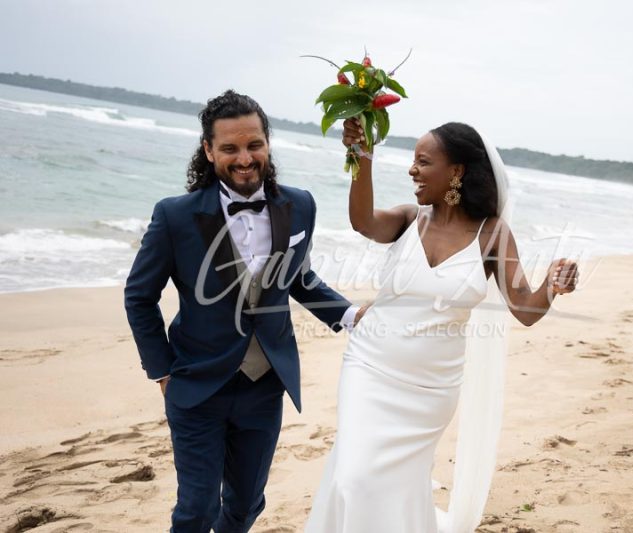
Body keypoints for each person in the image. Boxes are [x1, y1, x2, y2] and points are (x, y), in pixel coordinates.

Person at [305, 119, 578, 532]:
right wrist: (363, 155)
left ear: (456, 172)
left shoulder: (492, 236)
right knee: (353, 478)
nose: (412, 170)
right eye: (413, 161)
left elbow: (524, 307)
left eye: (423, 161)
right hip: (370, 368)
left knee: (397, 487)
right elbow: (362, 221)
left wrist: (551, 286)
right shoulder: (408, 219)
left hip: (430, 390)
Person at [124, 90, 363, 533]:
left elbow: (297, 278)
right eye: (230, 148)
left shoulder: (301, 204)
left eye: (254, 145)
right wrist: (161, 370)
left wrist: (349, 316)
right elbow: (139, 296)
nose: (244, 158)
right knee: (195, 508)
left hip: (265, 384)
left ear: (267, 144)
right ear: (209, 150)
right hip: (196, 383)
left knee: (246, 505)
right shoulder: (175, 216)